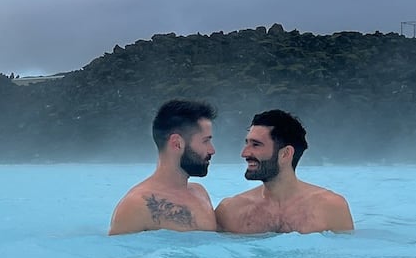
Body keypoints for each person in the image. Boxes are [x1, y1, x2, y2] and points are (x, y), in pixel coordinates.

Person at [216, 109, 353, 234]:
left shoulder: (331, 208)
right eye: (247, 143)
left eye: (256, 145)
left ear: (285, 154)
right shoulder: (230, 211)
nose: (244, 153)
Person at [108, 99, 219, 235]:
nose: (212, 150)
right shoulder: (136, 206)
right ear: (177, 143)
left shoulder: (200, 193)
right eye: (205, 141)